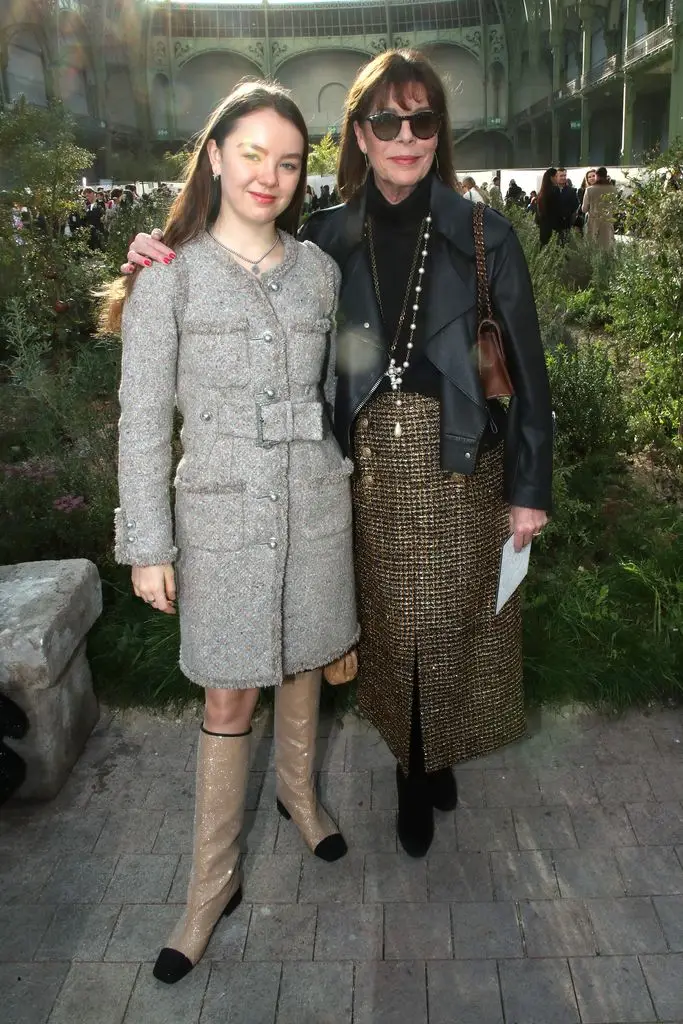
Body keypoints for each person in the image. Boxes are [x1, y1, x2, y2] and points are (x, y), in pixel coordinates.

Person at [122, 49, 553, 860]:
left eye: (421, 120)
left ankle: (432, 752)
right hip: (360, 468)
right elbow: (245, 259)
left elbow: (529, 376)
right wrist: (159, 252)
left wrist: (529, 490)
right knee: (392, 631)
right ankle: (413, 759)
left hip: (460, 462)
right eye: (386, 120)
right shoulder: (324, 237)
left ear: (437, 133)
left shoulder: (483, 233)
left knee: (456, 624)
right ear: (359, 132)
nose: (405, 135)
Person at [107, 80, 358, 984]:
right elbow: (141, 419)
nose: (270, 175)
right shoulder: (167, 276)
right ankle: (209, 888)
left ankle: (298, 793)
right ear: (213, 155)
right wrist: (148, 544)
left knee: (300, 657)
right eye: (251, 153)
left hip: (314, 501)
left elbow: (337, 390)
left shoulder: (319, 271)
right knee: (227, 695)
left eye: (288, 161)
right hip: (218, 513)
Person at [582, 165, 616, 248]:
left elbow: (584, 209)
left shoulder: (589, 190)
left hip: (593, 223)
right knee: (607, 247)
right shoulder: (612, 189)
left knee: (593, 248)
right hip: (607, 222)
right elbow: (615, 207)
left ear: (597, 176)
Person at [536, 166, 562, 247]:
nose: (558, 178)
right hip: (554, 225)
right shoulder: (555, 190)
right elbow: (558, 209)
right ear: (552, 177)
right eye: (557, 176)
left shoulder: (542, 192)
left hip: (544, 226)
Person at [556, 167, 579, 240]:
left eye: (564, 175)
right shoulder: (550, 190)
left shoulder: (571, 191)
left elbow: (575, 206)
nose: (563, 177)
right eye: (561, 176)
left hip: (566, 224)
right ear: (556, 177)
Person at [576, 169, 597, 233]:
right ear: (587, 179)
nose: (592, 178)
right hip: (587, 216)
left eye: (593, 176)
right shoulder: (583, 190)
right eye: (589, 177)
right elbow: (584, 207)